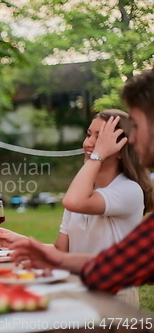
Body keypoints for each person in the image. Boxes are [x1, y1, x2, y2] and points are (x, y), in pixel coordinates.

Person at [9, 68, 154, 300]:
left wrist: (97, 155)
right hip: (79, 289)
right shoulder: (82, 189)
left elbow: (74, 201)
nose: (89, 143)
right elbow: (61, 252)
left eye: (99, 137)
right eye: (89, 134)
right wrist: (20, 240)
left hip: (114, 296)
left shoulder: (129, 190)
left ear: (119, 148)